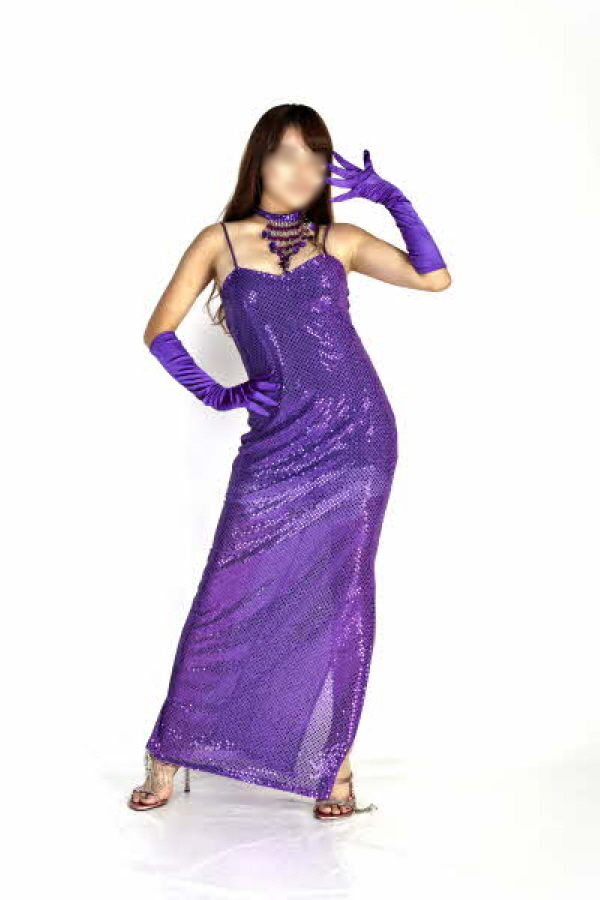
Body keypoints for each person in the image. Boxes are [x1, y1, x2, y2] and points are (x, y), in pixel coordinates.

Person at [128, 103, 450, 820]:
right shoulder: (219, 241)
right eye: (287, 154)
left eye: (316, 157)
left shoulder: (340, 240)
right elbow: (159, 331)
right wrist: (219, 393)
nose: (302, 170)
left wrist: (397, 202)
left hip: (358, 436)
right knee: (226, 595)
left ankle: (332, 766)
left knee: (339, 600)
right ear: (260, 161)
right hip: (275, 444)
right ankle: (171, 747)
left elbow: (433, 279)